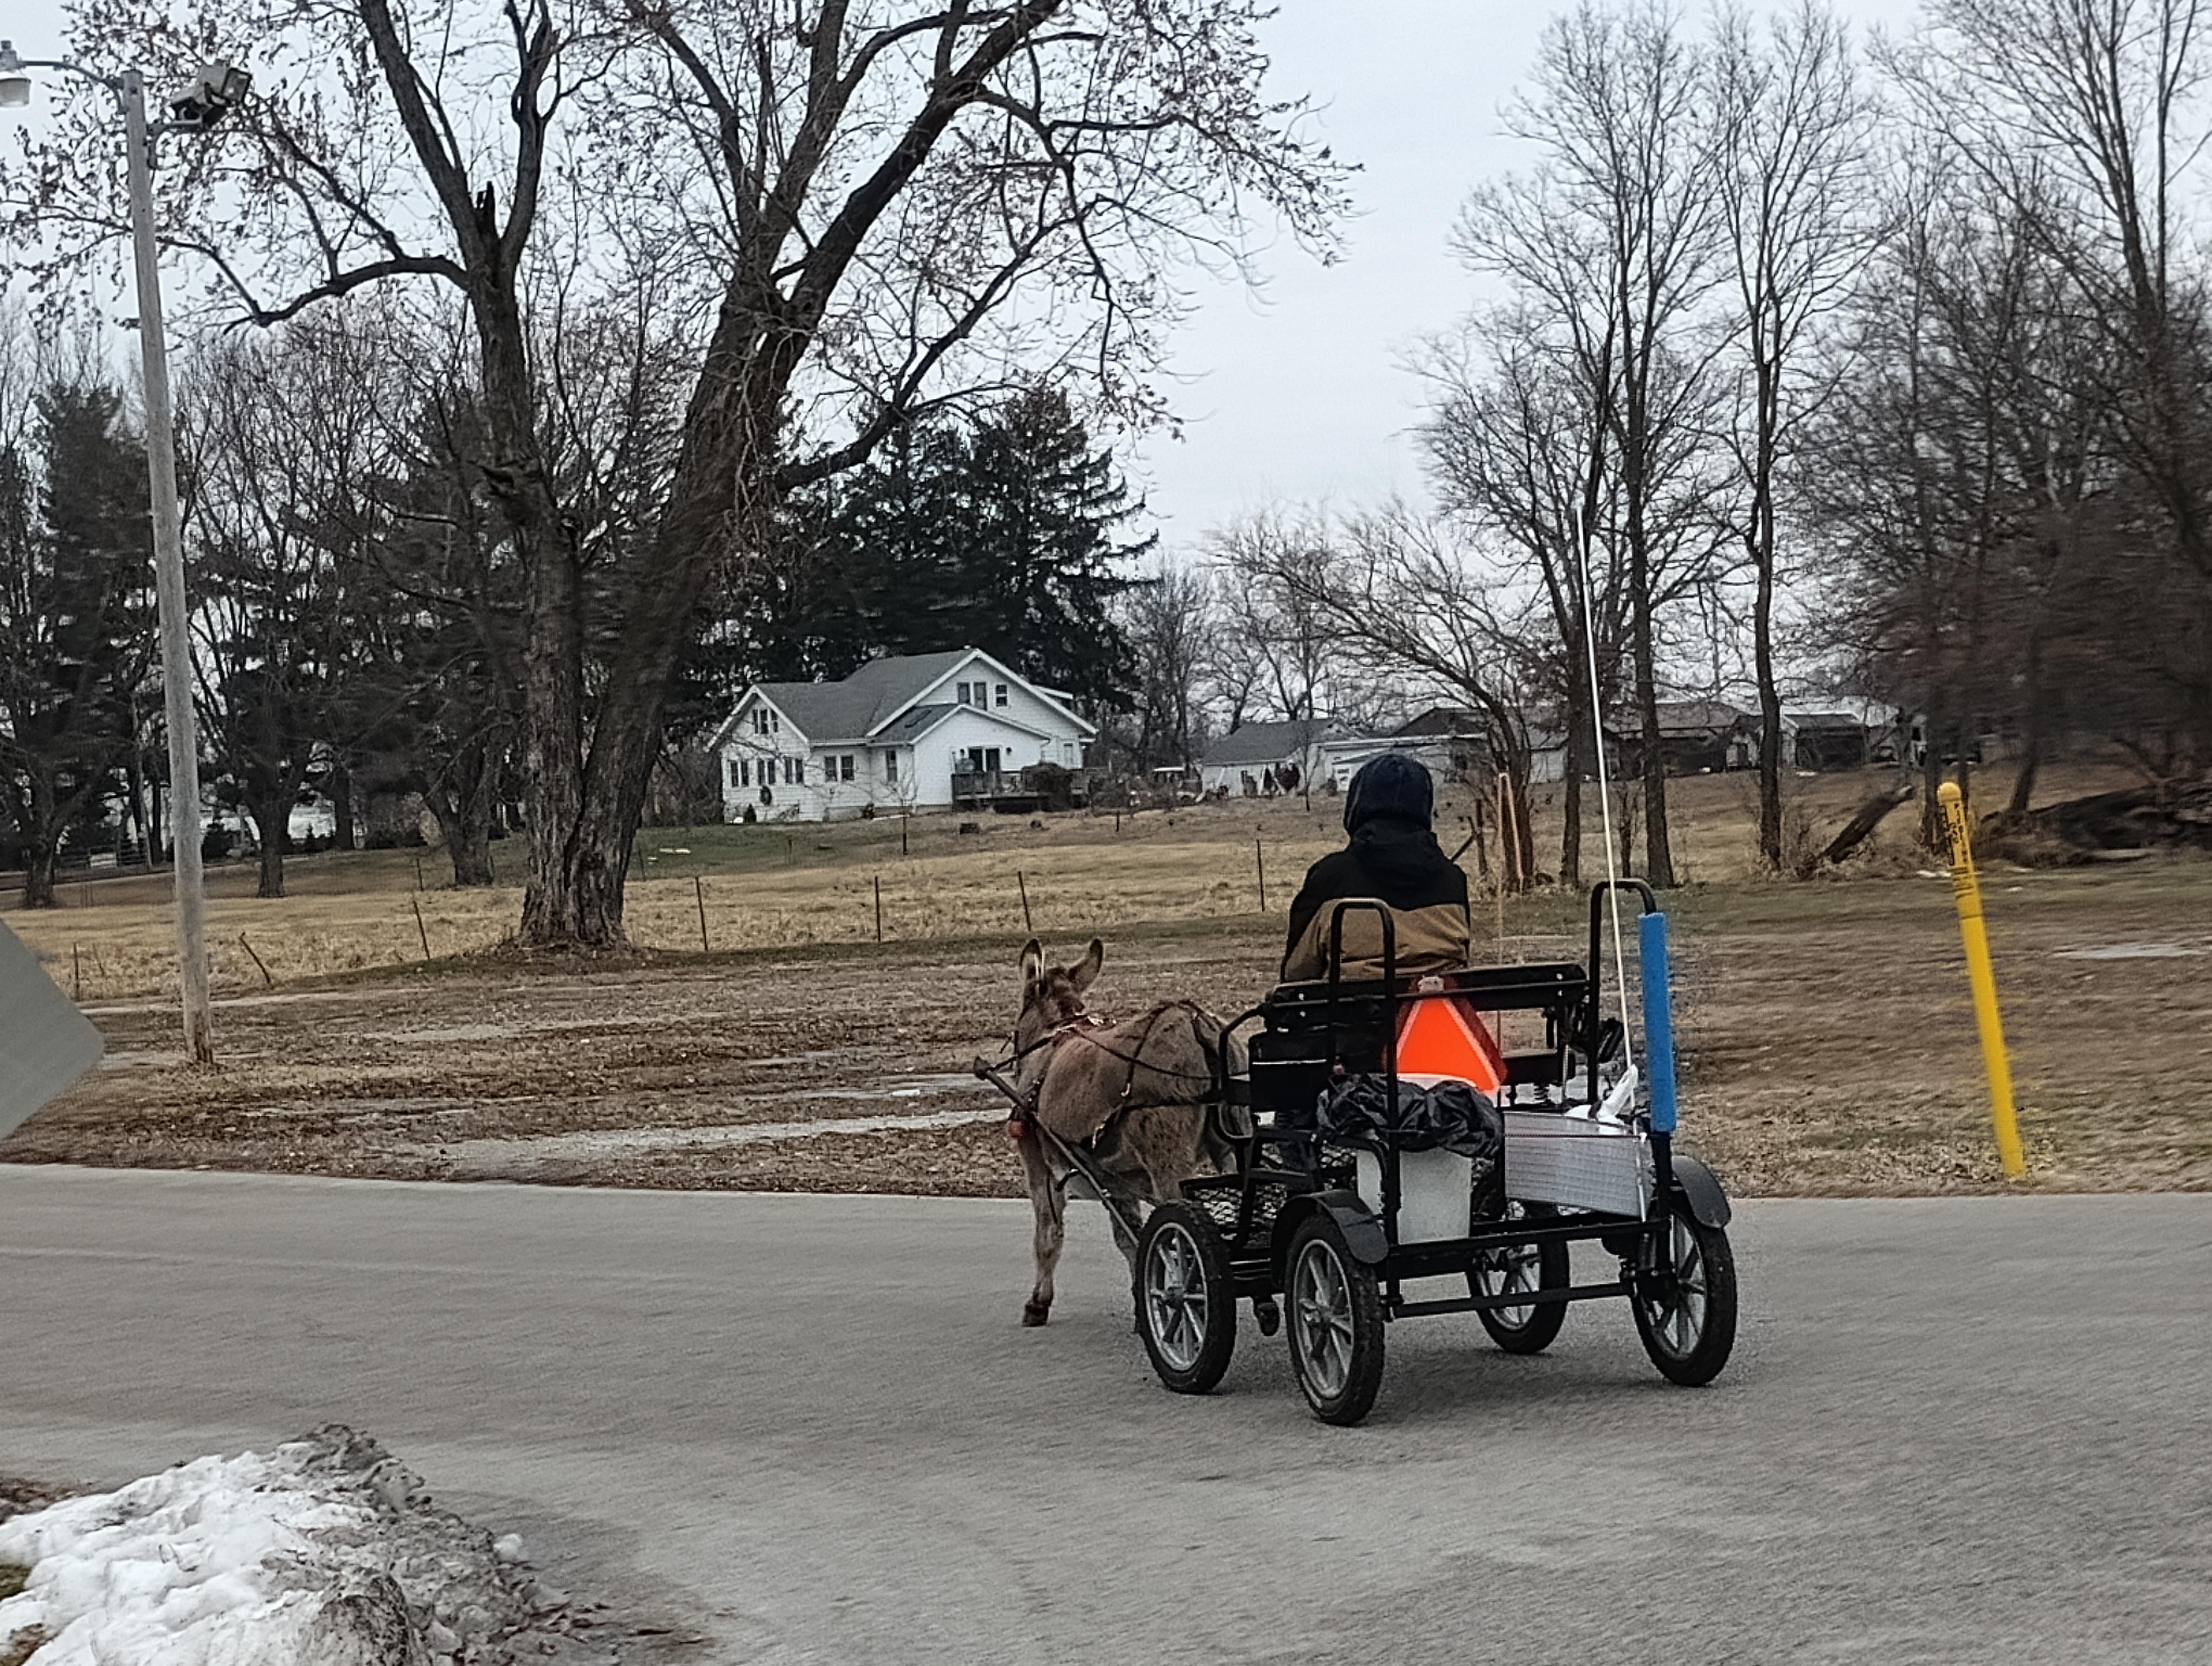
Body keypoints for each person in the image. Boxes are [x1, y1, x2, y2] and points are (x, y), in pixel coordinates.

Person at [1281, 752, 1471, 982]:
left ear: (1356, 806)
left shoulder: (1331, 878)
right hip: (1439, 1013)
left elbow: (1297, 972)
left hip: (1354, 1015)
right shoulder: (1452, 880)